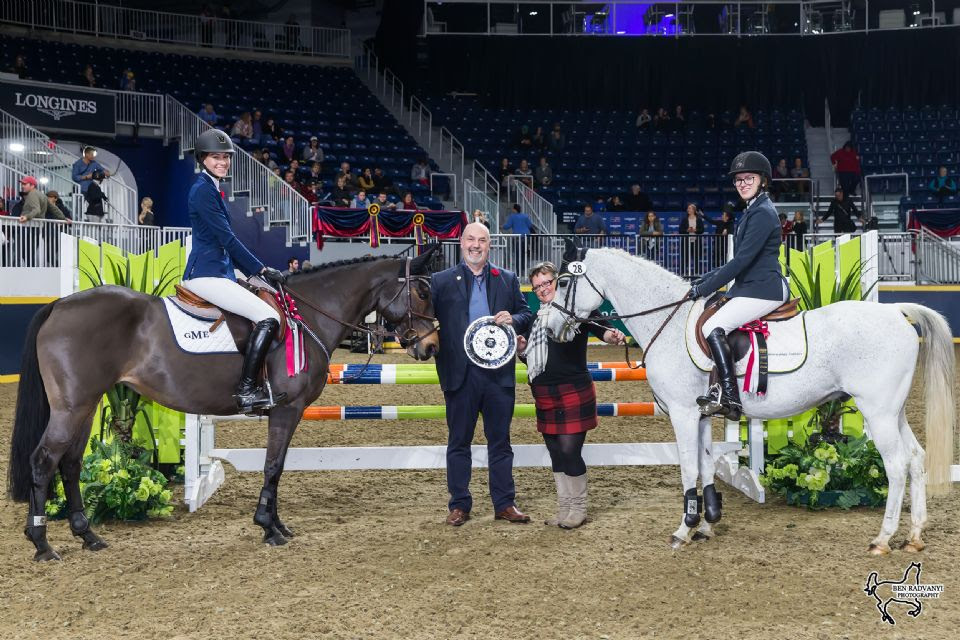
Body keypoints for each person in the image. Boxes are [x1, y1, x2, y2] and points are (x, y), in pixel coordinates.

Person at [431, 222, 533, 526]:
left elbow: (527, 315)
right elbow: (424, 320)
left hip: (498, 376)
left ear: (490, 246)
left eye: (483, 240)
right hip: (459, 375)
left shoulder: (508, 279)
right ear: (461, 243)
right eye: (471, 239)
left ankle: (504, 503)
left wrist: (512, 318)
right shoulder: (440, 281)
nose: (476, 245)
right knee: (458, 442)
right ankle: (459, 504)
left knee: (500, 442)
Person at [179, 129, 288, 414]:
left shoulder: (212, 188)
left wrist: (255, 276)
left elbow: (224, 246)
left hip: (219, 269)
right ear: (203, 158)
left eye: (226, 157)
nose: (223, 162)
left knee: (266, 295)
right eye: (216, 157)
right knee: (268, 316)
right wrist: (261, 267)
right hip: (205, 274)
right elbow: (227, 239)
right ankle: (246, 390)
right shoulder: (203, 189)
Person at [518, 262, 625, 529]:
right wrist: (522, 349)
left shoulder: (580, 310)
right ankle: (564, 508)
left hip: (573, 390)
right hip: (543, 392)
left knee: (569, 450)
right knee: (555, 452)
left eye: (547, 283)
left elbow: (603, 330)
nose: (543, 289)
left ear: (556, 282)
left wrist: (613, 335)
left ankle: (578, 509)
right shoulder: (535, 319)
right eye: (537, 286)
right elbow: (531, 359)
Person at [687, 151, 788, 421]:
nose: (743, 183)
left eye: (749, 178)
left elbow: (741, 261)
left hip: (764, 289)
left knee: (711, 326)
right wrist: (703, 279)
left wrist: (705, 288)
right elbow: (737, 261)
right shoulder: (753, 210)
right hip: (751, 286)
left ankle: (729, 396)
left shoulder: (762, 214)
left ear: (763, 180)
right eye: (739, 180)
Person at [17, 176, 72, 267]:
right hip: (37, 227)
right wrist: (63, 218)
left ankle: (31, 271)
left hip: (28, 227)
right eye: (22, 184)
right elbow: (54, 209)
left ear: (32, 185)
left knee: (26, 253)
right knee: (30, 252)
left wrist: (27, 217)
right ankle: (33, 270)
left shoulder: (32, 194)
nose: (22, 186)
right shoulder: (41, 195)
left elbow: (36, 210)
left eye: (25, 184)